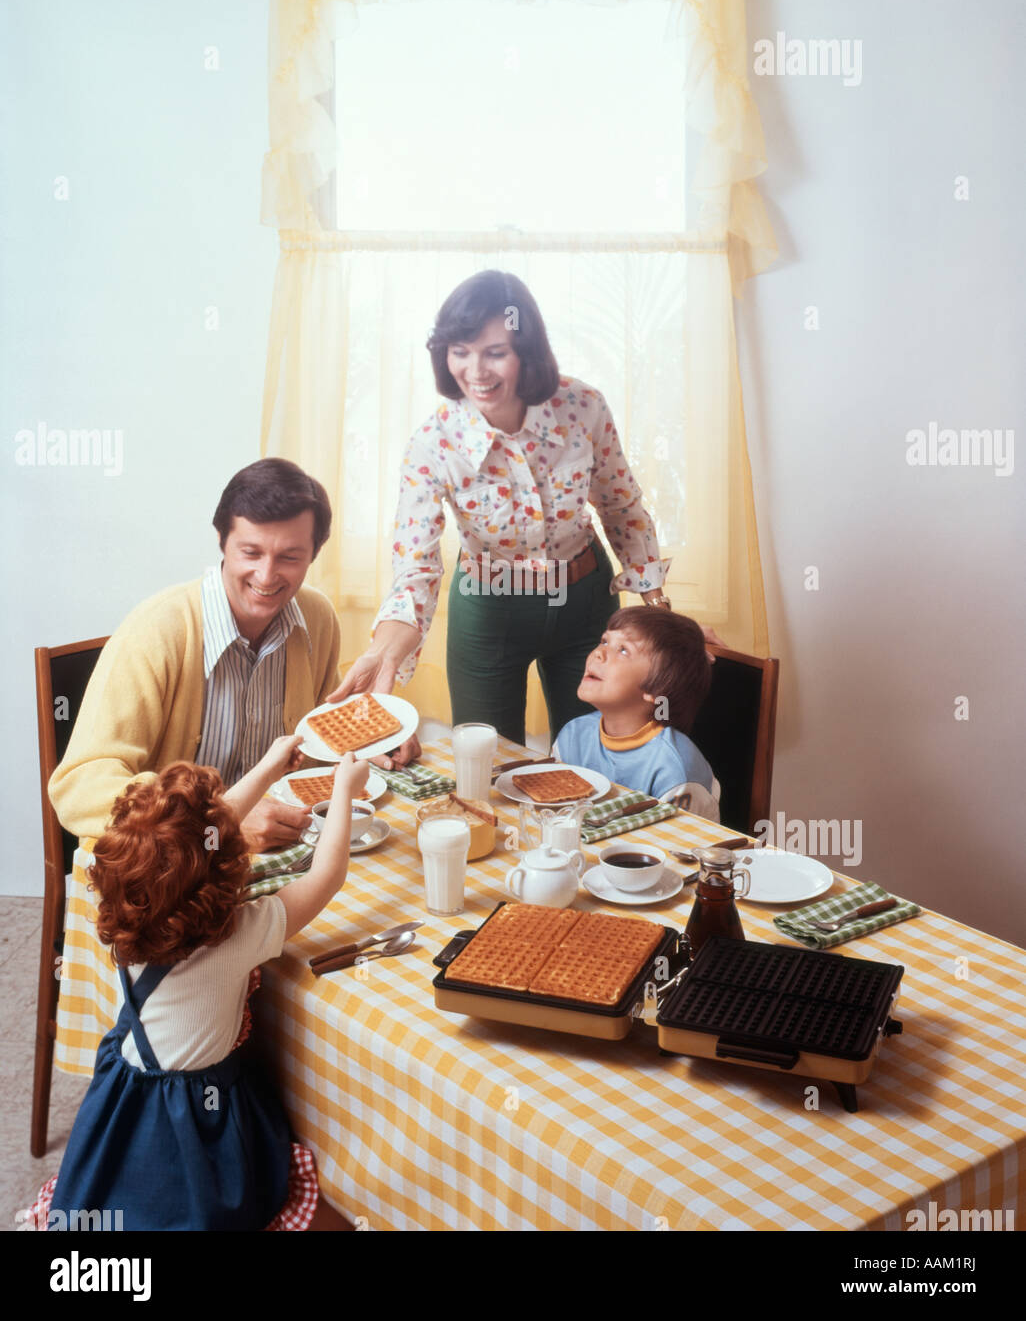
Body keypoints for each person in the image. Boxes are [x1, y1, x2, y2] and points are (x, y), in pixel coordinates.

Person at [28, 737, 369, 1231]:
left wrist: (269, 766)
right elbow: (328, 873)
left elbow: (198, 836)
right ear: (222, 873)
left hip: (129, 1094)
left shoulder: (130, 915)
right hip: (194, 1118)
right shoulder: (237, 938)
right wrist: (344, 791)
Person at [334, 270, 678, 751]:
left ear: (527, 352)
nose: (476, 371)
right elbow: (415, 567)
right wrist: (382, 652)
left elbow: (621, 506)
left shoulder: (583, 406)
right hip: (488, 610)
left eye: (495, 352)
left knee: (590, 759)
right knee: (487, 763)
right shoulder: (432, 445)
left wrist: (663, 615)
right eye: (460, 351)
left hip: (584, 604)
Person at [49, 458, 341, 852]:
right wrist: (222, 819)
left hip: (279, 854)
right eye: (250, 552)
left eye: (289, 557)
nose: (267, 575)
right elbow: (80, 786)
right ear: (222, 542)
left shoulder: (318, 618)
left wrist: (381, 744)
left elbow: (325, 738)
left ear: (313, 554)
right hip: (172, 868)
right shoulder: (156, 630)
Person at [552, 607, 720, 818]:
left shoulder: (674, 770)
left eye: (623, 650)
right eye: (604, 641)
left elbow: (680, 847)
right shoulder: (572, 736)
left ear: (657, 689)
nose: (598, 653)